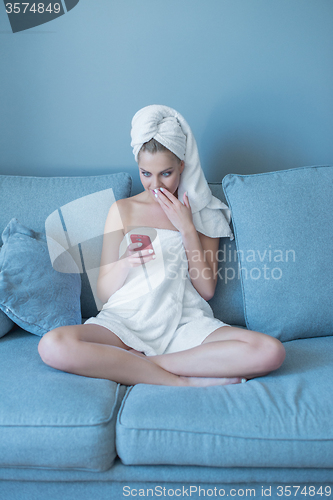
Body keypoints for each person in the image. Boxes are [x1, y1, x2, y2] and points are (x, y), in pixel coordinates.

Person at [38, 105, 285, 387]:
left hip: (185, 322)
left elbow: (206, 290)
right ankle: (182, 382)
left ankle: (141, 364)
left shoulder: (203, 212)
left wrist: (187, 228)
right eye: (146, 174)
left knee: (270, 351)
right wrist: (126, 262)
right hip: (126, 320)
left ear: (182, 165)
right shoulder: (122, 210)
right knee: (52, 345)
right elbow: (105, 294)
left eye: (166, 174)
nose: (155, 185)